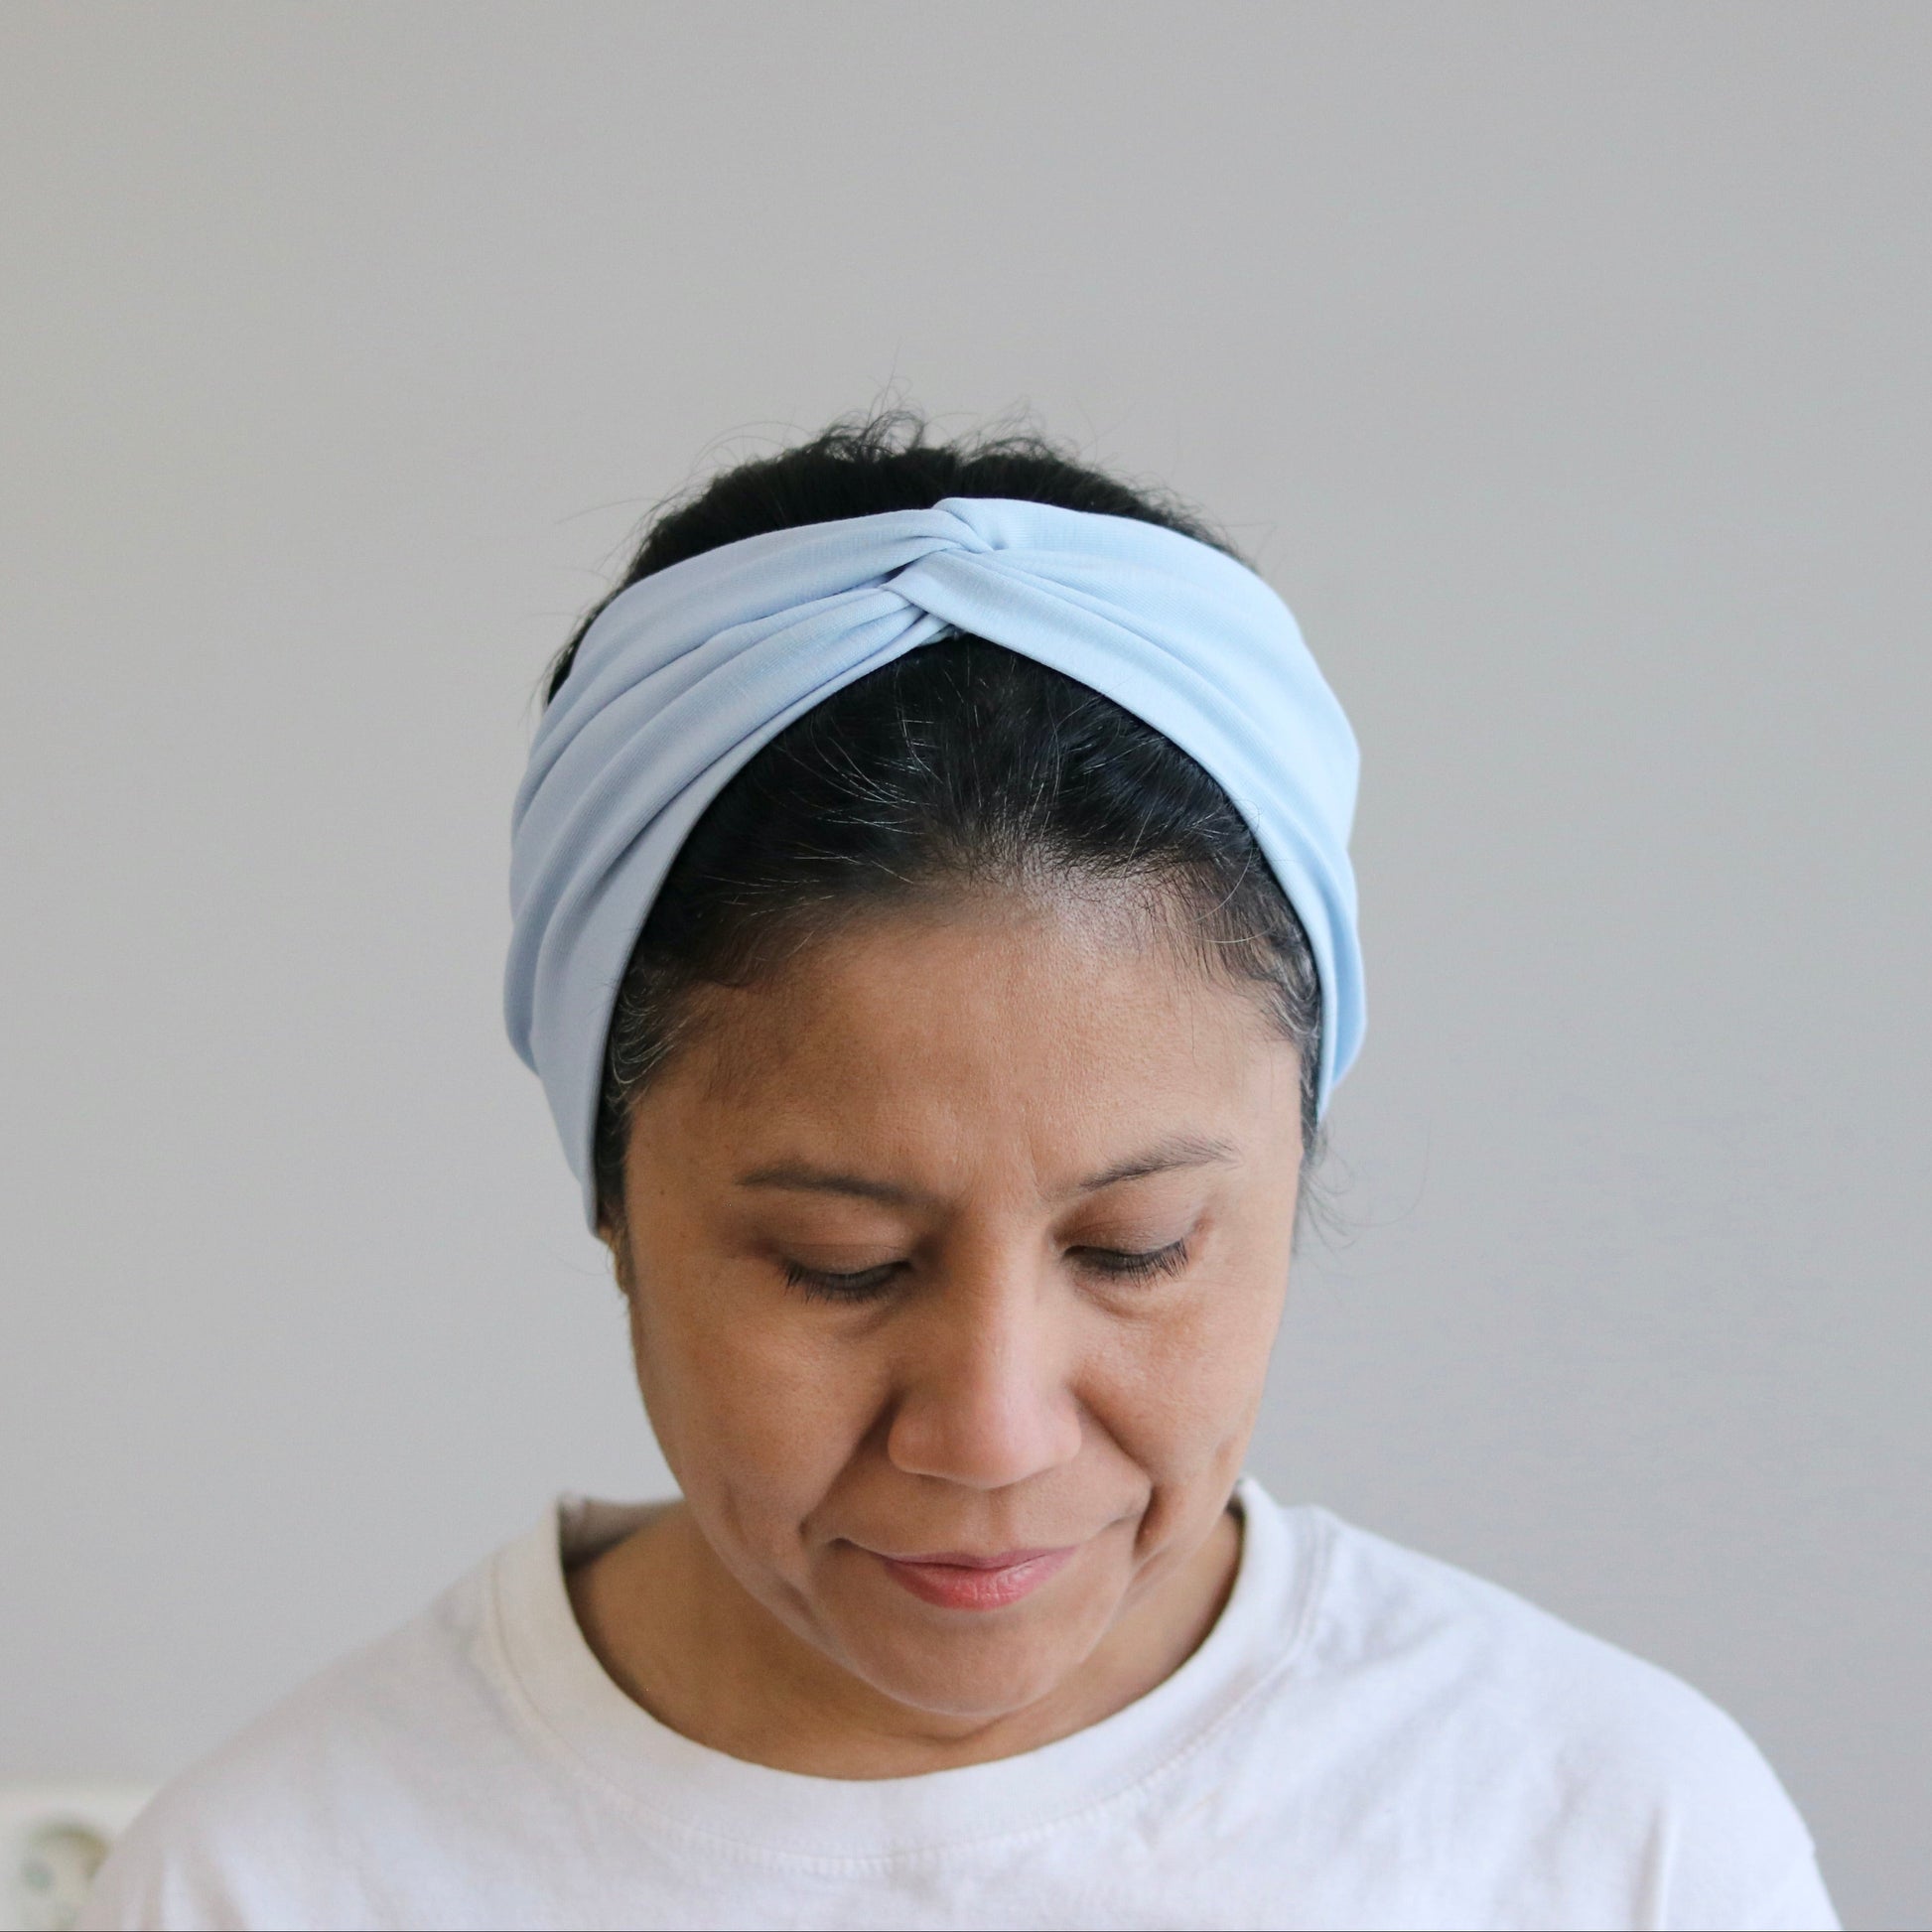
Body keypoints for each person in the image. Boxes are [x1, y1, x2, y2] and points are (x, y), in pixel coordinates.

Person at [82, 415, 1837, 1931]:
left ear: (1292, 1173)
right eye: (842, 1263)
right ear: (611, 1193)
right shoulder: (269, 1882)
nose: (990, 1431)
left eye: (1138, 1245)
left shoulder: (1612, 1840)